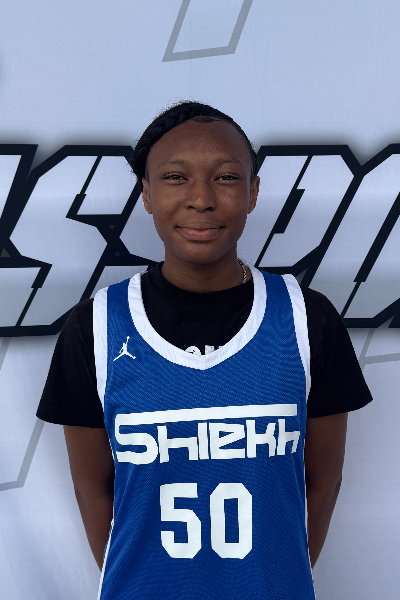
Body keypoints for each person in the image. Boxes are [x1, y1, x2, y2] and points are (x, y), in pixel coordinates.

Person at [37, 101, 372, 600]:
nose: (201, 199)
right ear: (146, 194)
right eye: (175, 177)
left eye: (226, 177)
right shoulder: (96, 326)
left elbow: (322, 483)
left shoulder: (307, 319)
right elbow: (93, 490)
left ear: (253, 191)